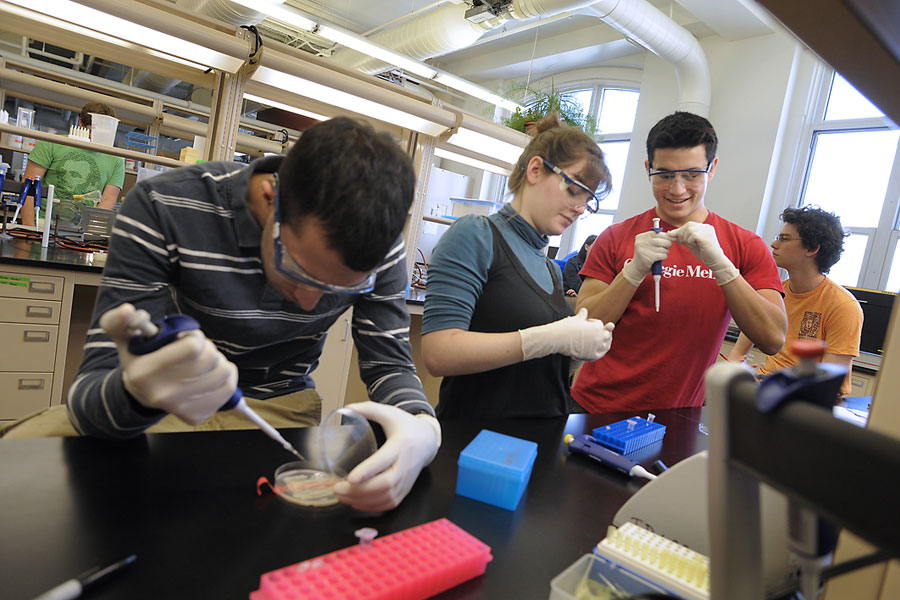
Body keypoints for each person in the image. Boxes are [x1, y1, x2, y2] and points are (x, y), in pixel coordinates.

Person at [63, 117, 439, 512]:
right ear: (269, 197)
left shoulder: (383, 250)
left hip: (281, 409)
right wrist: (137, 395)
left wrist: (422, 428)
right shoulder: (164, 205)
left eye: (340, 290)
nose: (310, 305)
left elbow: (388, 365)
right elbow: (89, 403)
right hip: (170, 411)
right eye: (300, 271)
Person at [573, 111, 787, 412]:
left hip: (676, 417)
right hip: (594, 407)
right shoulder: (616, 237)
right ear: (648, 168)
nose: (677, 189)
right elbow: (584, 327)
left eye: (691, 174)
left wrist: (723, 267)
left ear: (711, 169)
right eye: (664, 174)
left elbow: (773, 338)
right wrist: (632, 273)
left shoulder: (745, 246)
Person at [421, 113, 615, 419]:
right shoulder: (478, 235)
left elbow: (536, 374)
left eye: (587, 201)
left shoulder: (549, 267)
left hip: (537, 442)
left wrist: (575, 355)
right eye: (574, 189)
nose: (580, 208)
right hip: (476, 442)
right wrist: (549, 338)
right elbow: (438, 352)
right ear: (536, 170)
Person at [727, 206, 862, 396]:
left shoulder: (843, 306)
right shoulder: (774, 293)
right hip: (767, 384)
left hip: (809, 397)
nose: (774, 244)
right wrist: (733, 372)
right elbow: (741, 348)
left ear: (812, 248)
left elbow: (828, 384)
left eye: (784, 239)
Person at [21, 101, 125, 226]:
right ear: (81, 123)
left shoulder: (116, 160)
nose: (98, 139)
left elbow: (109, 199)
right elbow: (28, 187)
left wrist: (86, 232)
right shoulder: (51, 143)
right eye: (93, 131)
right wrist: (29, 227)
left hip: (82, 228)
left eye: (104, 134)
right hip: (43, 221)